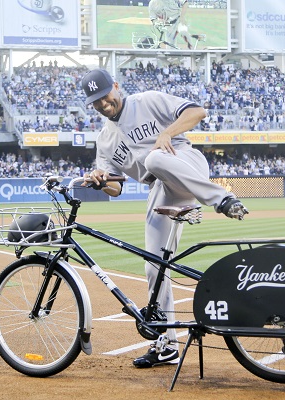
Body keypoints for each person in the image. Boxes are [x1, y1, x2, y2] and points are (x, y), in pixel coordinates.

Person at [81, 68, 248, 368]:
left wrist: (167, 132)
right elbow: (116, 187)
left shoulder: (147, 101)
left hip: (186, 163)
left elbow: (198, 111)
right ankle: (167, 344)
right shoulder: (104, 140)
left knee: (155, 158)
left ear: (116, 87)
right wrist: (99, 180)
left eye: (106, 96)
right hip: (162, 188)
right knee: (153, 266)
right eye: (96, 102)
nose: (103, 105)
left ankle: (221, 198)